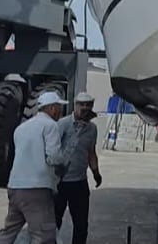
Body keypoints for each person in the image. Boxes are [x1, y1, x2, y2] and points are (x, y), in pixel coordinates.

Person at [0, 91, 70, 244]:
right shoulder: (50, 125)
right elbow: (54, 156)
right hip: (36, 188)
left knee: (8, 232)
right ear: (52, 109)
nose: (60, 112)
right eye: (58, 107)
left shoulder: (22, 128)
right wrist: (63, 165)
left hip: (15, 187)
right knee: (43, 235)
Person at [54, 92, 103, 244]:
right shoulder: (63, 124)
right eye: (81, 104)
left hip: (79, 182)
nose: (85, 107)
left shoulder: (92, 129)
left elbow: (91, 152)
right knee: (54, 222)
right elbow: (52, 150)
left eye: (88, 104)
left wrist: (96, 172)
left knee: (81, 225)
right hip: (60, 182)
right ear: (75, 105)